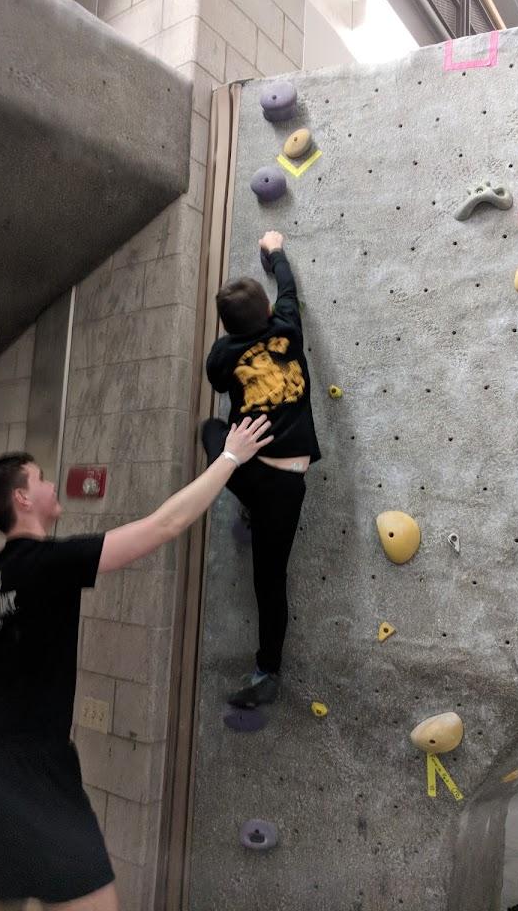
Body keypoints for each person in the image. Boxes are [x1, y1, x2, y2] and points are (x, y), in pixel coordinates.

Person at [0, 414, 272, 911]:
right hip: (32, 762)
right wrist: (230, 457)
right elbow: (165, 524)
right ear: (23, 499)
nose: (50, 484)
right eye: (41, 478)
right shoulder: (46, 564)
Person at [202, 230, 320, 708]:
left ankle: (247, 499)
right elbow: (289, 290)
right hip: (291, 481)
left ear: (228, 329)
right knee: (270, 581)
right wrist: (274, 251)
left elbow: (216, 379)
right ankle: (267, 669)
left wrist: (232, 344)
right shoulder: (289, 325)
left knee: (212, 430)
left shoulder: (224, 356)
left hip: (253, 469)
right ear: (269, 314)